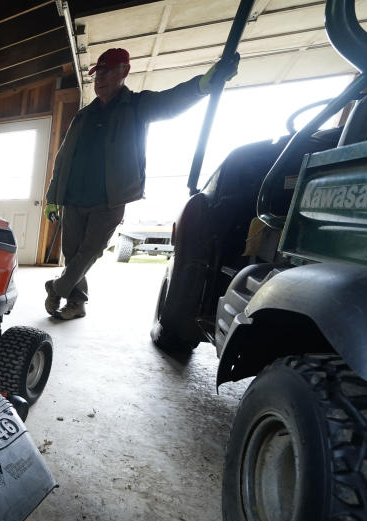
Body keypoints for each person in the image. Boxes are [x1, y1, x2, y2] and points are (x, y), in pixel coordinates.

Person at [43, 47, 238, 320]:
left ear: (125, 71)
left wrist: (203, 85)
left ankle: (58, 288)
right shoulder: (83, 116)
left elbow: (171, 102)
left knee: (89, 252)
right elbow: (62, 158)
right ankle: (77, 302)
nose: (100, 78)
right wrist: (52, 197)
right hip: (72, 198)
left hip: (109, 200)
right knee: (72, 254)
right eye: (98, 73)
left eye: (108, 71)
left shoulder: (136, 106)